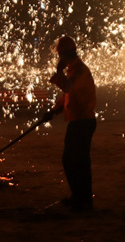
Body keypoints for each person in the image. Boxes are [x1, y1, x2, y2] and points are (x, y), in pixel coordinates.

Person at [42, 35, 97, 212]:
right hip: (77, 121)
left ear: (65, 55)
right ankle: (79, 197)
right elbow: (68, 96)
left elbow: (68, 88)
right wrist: (54, 110)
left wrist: (58, 73)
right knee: (71, 160)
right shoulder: (73, 71)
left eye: (60, 56)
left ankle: (84, 200)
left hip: (83, 121)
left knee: (78, 161)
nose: (59, 60)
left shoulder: (80, 70)